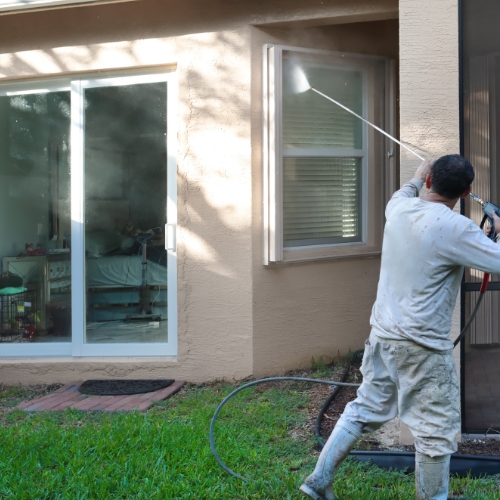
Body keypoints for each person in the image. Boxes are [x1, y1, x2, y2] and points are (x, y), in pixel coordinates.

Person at [299, 155, 500, 500]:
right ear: (467, 192)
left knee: (363, 408)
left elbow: (406, 191)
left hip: (382, 338)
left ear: (428, 181)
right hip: (422, 350)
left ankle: (317, 481)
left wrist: (418, 173)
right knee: (435, 432)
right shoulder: (458, 229)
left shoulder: (399, 208)